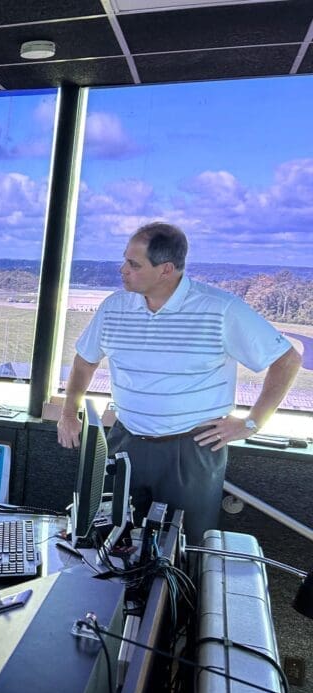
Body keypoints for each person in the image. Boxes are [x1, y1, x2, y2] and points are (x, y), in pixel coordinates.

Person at [58, 222, 300, 543]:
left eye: (134, 264)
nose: (122, 270)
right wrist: (68, 411)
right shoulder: (114, 307)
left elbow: (286, 360)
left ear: (166, 270)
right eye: (125, 261)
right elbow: (85, 360)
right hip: (125, 440)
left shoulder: (220, 309)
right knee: (111, 537)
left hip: (192, 449)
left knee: (185, 549)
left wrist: (252, 423)